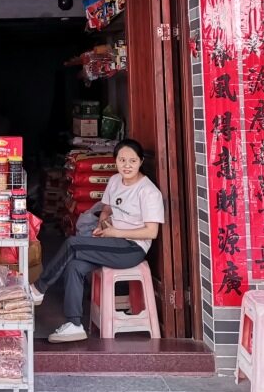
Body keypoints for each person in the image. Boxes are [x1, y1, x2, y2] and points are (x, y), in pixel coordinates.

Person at [30, 138, 165, 343]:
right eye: (122, 160)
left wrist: (115, 233)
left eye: (132, 161)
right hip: (113, 241)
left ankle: (39, 288)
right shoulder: (115, 181)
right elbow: (107, 208)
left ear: (141, 161)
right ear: (116, 161)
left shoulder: (148, 192)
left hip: (131, 249)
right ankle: (74, 324)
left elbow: (152, 232)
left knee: (73, 244)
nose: (127, 165)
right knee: (75, 266)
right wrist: (102, 224)